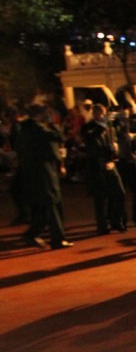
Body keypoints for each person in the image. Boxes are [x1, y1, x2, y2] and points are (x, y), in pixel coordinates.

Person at [17, 104, 74, 249]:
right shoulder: (37, 129)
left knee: (45, 205)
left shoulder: (25, 128)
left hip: (35, 171)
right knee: (52, 203)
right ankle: (57, 239)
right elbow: (59, 136)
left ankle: (33, 233)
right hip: (43, 171)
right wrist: (53, 124)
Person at [82, 103, 126, 234]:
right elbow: (91, 140)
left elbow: (115, 139)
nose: (102, 116)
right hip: (97, 165)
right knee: (100, 197)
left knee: (118, 192)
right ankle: (102, 225)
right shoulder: (89, 127)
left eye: (103, 113)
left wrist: (115, 149)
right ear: (94, 114)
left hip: (110, 162)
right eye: (99, 113)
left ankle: (116, 221)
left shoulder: (109, 127)